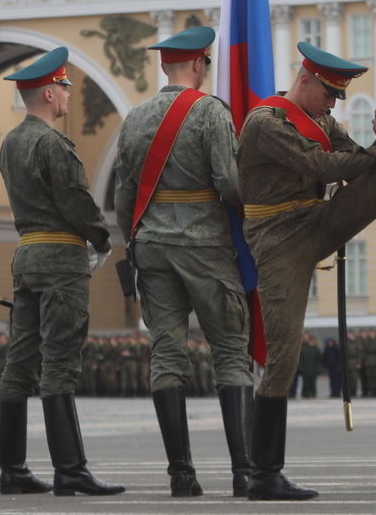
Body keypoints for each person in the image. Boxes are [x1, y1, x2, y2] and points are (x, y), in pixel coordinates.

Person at [238, 41, 376, 500]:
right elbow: (323, 164)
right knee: (283, 357)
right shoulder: (265, 123)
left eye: (339, 96)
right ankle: (264, 474)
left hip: (314, 221)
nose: (334, 104)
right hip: (277, 238)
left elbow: (353, 157)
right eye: (329, 94)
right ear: (305, 81)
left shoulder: (323, 120)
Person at [113, 26, 253, 498]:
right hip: (205, 248)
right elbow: (230, 184)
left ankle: (181, 474)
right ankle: (244, 471)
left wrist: (139, 238)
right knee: (231, 352)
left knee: (167, 354)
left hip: (151, 247)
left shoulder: (134, 118)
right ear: (200, 64)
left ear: (164, 66)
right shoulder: (211, 112)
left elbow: (123, 195)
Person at [0, 47, 123, 498]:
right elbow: (76, 203)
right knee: (60, 362)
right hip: (61, 259)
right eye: (64, 87)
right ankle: (71, 470)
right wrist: (103, 240)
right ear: (50, 93)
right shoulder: (52, 144)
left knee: (19, 364)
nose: (68, 94)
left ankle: (12, 469)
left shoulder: (10, 142)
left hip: (26, 257)